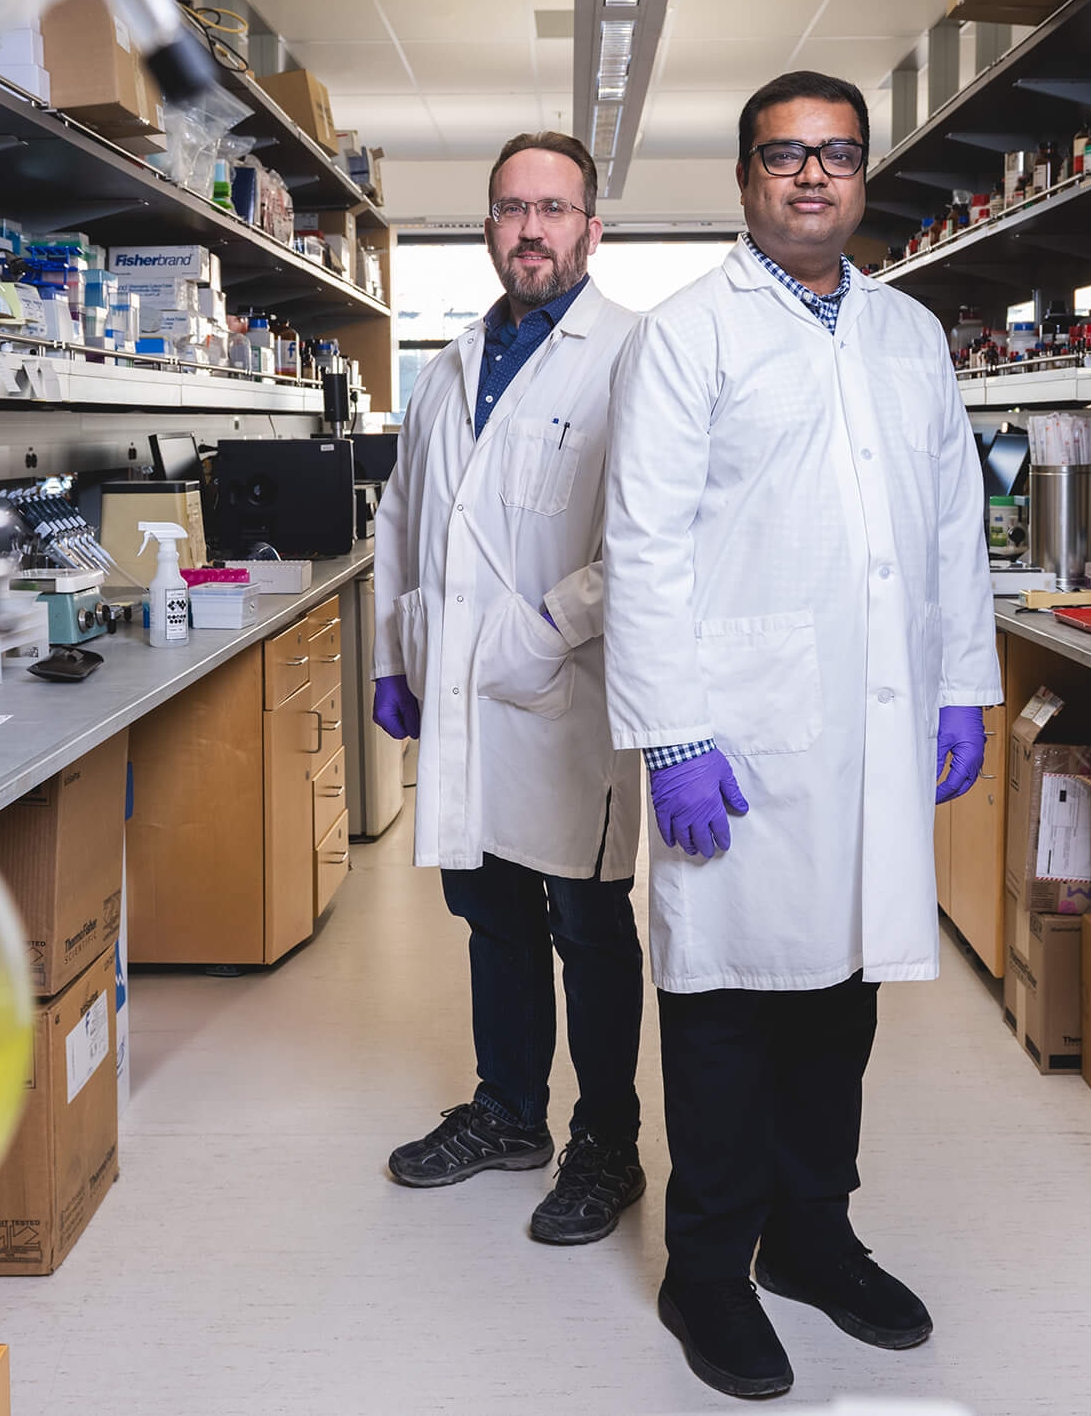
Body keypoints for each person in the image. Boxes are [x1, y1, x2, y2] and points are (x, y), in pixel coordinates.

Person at [603, 71, 999, 1398]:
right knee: (722, 1007)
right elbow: (643, 545)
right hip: (737, 730)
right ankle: (708, 1267)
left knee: (841, 997)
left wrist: (961, 682)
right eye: (785, 155)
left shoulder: (908, 333)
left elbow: (949, 525)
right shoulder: (686, 335)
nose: (813, 175)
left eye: (837, 153)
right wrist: (671, 735)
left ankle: (813, 1238)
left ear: (864, 174)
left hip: (871, 724)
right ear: (745, 179)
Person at [370, 130, 650, 1246]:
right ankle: (508, 1111)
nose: (530, 229)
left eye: (552, 208)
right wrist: (393, 655)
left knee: (587, 920)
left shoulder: (630, 353)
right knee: (487, 908)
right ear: (488, 226)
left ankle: (609, 1141)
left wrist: (545, 629)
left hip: (568, 689)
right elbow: (403, 516)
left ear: (592, 228)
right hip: (459, 690)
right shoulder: (447, 365)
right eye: (510, 209)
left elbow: (648, 538)